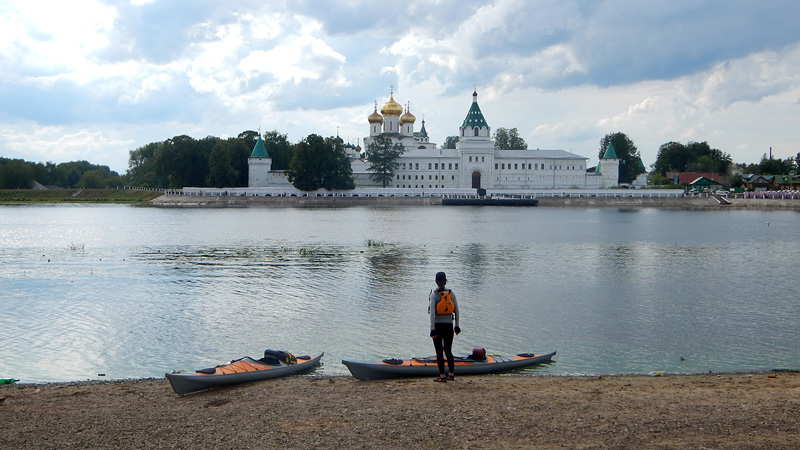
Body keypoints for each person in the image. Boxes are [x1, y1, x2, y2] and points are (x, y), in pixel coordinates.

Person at [429, 271, 460, 382]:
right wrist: (456, 326)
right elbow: (456, 310)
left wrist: (432, 329)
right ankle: (451, 374)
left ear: (436, 282)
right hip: (449, 326)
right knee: (448, 351)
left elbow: (432, 314)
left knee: (439, 352)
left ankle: (442, 376)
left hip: (438, 326)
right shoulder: (451, 294)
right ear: (445, 281)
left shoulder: (434, 295)